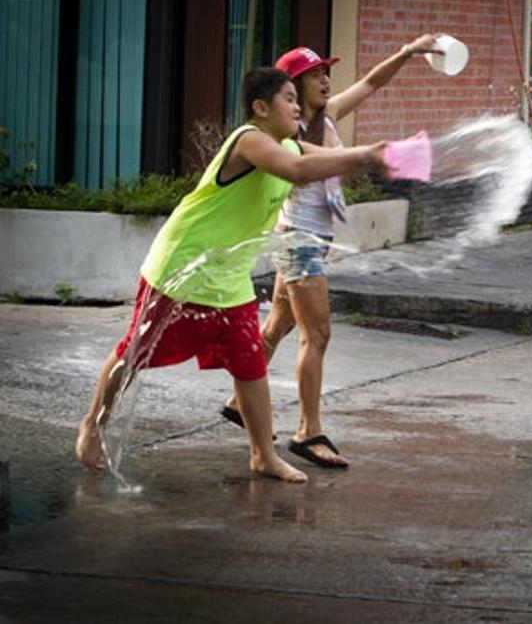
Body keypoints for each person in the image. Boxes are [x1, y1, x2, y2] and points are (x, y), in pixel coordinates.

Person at [76, 68, 388, 483]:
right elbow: (297, 172)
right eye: (289, 98)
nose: (298, 106)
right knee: (136, 350)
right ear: (260, 108)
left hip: (227, 274)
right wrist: (367, 155)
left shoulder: (289, 145)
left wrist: (374, 154)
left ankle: (263, 455)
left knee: (249, 361)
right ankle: (92, 425)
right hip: (181, 268)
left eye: (298, 99)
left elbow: (315, 159)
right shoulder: (250, 140)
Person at [219, 35, 441, 469]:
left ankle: (236, 401)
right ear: (290, 87)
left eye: (325, 73)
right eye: (314, 75)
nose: (324, 81)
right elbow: (309, 163)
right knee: (316, 335)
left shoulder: (329, 115)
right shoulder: (287, 135)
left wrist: (409, 51)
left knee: (278, 326)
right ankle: (308, 432)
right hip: (300, 240)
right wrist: (378, 157)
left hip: (308, 239)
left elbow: (372, 82)